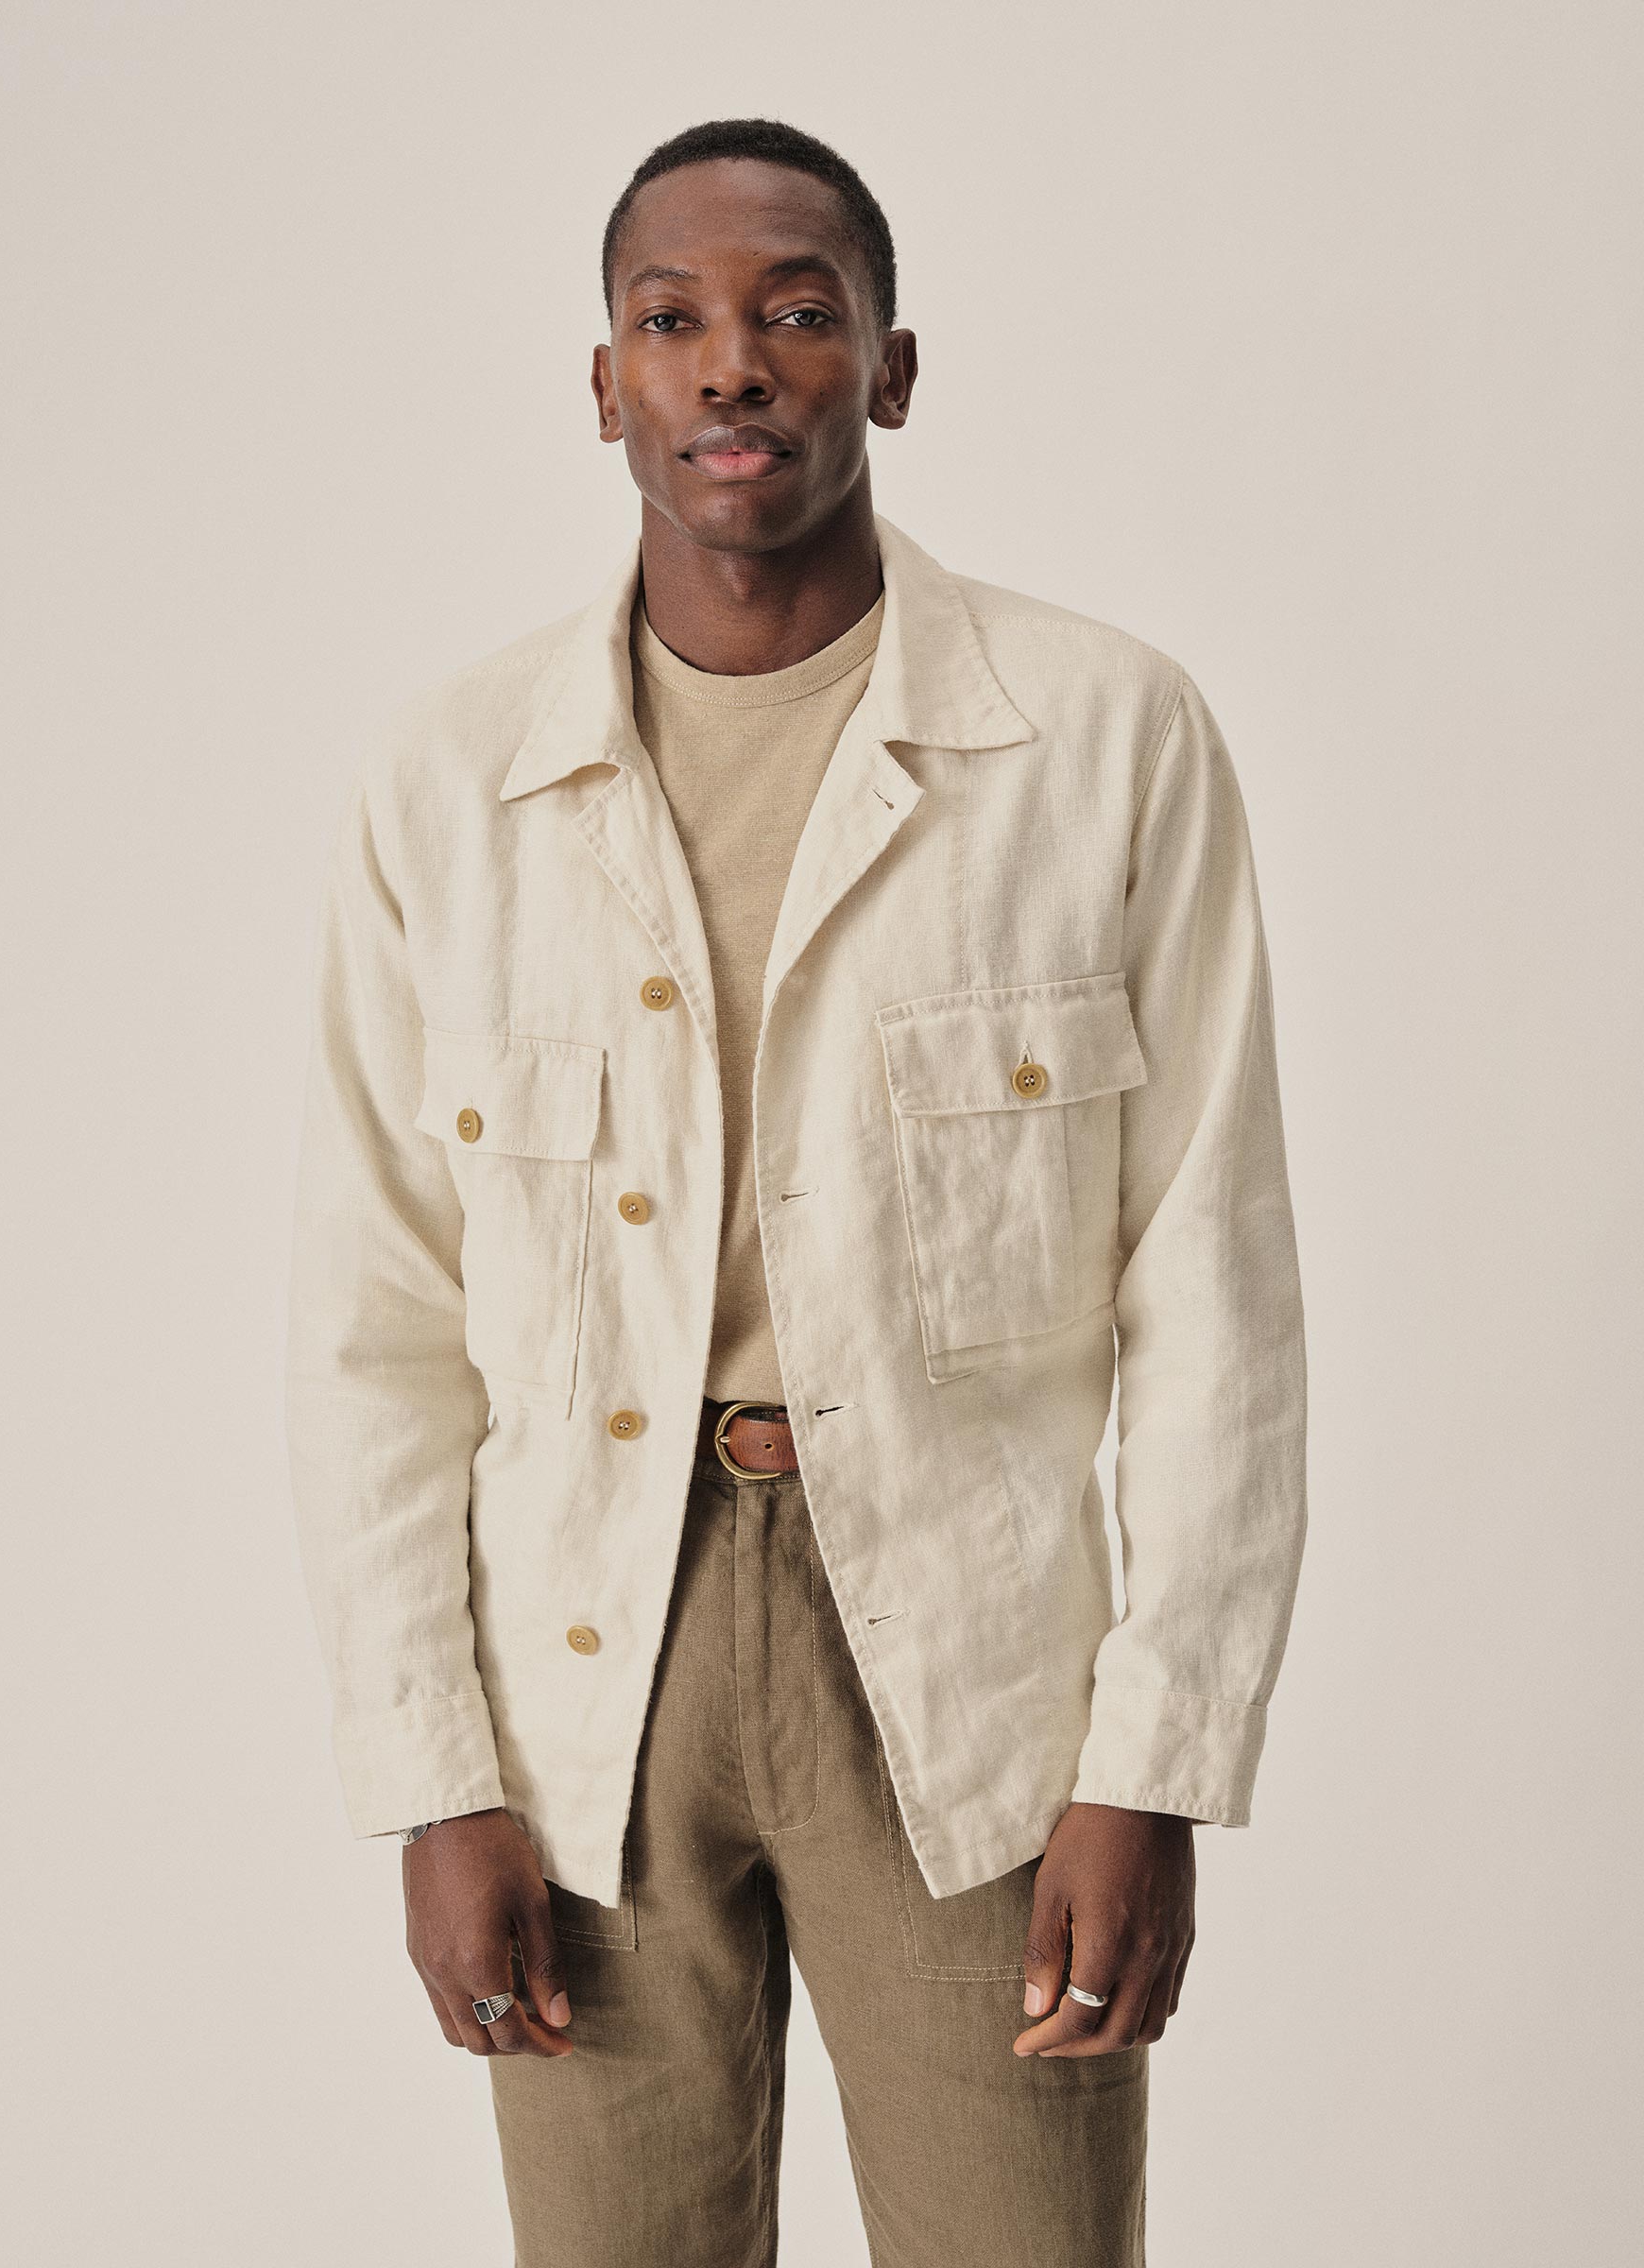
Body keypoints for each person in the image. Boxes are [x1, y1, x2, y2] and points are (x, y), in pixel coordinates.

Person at [284, 113, 1309, 2268]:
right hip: (585, 1675)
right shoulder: (448, 788)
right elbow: (375, 1328)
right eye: (671, 320)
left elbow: (1215, 1287)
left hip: (975, 1671)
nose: (732, 362)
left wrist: (1154, 1764)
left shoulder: (1103, 740)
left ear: (893, 371)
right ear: (605, 386)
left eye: (798, 312)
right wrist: (433, 1778)